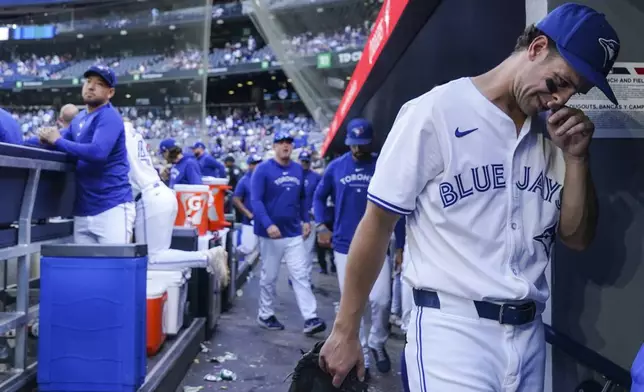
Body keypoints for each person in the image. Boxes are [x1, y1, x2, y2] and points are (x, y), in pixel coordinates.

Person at [319, 3, 617, 390]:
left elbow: (576, 238)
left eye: (575, 91)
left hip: (529, 335)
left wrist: (577, 160)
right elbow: (376, 224)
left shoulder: (555, 139)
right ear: (536, 47)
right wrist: (345, 330)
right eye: (558, 82)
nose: (561, 99)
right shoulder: (436, 112)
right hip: (455, 331)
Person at [313, 118, 391, 377]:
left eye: (362, 145)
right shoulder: (336, 167)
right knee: (354, 304)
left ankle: (377, 341)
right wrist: (324, 224)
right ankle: (363, 359)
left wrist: (400, 245)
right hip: (345, 244)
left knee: (381, 300)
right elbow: (319, 196)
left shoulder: (382, 164)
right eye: (353, 145)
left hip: (378, 244)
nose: (357, 150)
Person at [38, 65, 134, 244]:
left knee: (114, 268)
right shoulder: (79, 118)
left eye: (99, 84)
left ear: (110, 92)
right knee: (86, 269)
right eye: (88, 81)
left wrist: (57, 141)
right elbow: (60, 142)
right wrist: (44, 139)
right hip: (84, 208)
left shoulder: (109, 116)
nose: (90, 87)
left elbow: (98, 153)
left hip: (112, 205)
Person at [123, 121, 229, 279]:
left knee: (153, 259)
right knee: (161, 255)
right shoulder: (133, 135)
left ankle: (207, 257)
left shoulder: (189, 162)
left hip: (153, 200)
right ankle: (202, 261)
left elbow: (197, 187)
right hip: (163, 196)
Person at [250, 131, 326, 336]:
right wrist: (267, 224)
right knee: (270, 275)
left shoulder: (297, 170)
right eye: (281, 143)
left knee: (300, 274)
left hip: (292, 231)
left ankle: (310, 317)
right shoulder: (263, 170)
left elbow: (301, 198)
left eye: (289, 143)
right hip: (270, 234)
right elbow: (255, 200)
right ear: (274, 146)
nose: (285, 146)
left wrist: (305, 220)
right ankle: (265, 314)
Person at [232, 153, 263, 257]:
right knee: (247, 248)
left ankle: (260, 273)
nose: (257, 166)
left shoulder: (265, 178)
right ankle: (232, 262)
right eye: (254, 163)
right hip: (251, 221)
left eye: (259, 163)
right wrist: (248, 214)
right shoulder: (244, 180)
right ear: (249, 165)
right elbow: (236, 200)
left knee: (265, 251)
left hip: (265, 220)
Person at [300, 150, 321, 283]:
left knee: (307, 251)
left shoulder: (316, 177)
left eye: (307, 161)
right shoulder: (293, 175)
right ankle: (295, 276)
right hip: (295, 218)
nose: (304, 163)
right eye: (303, 161)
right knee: (295, 250)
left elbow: (320, 196)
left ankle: (305, 278)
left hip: (310, 217)